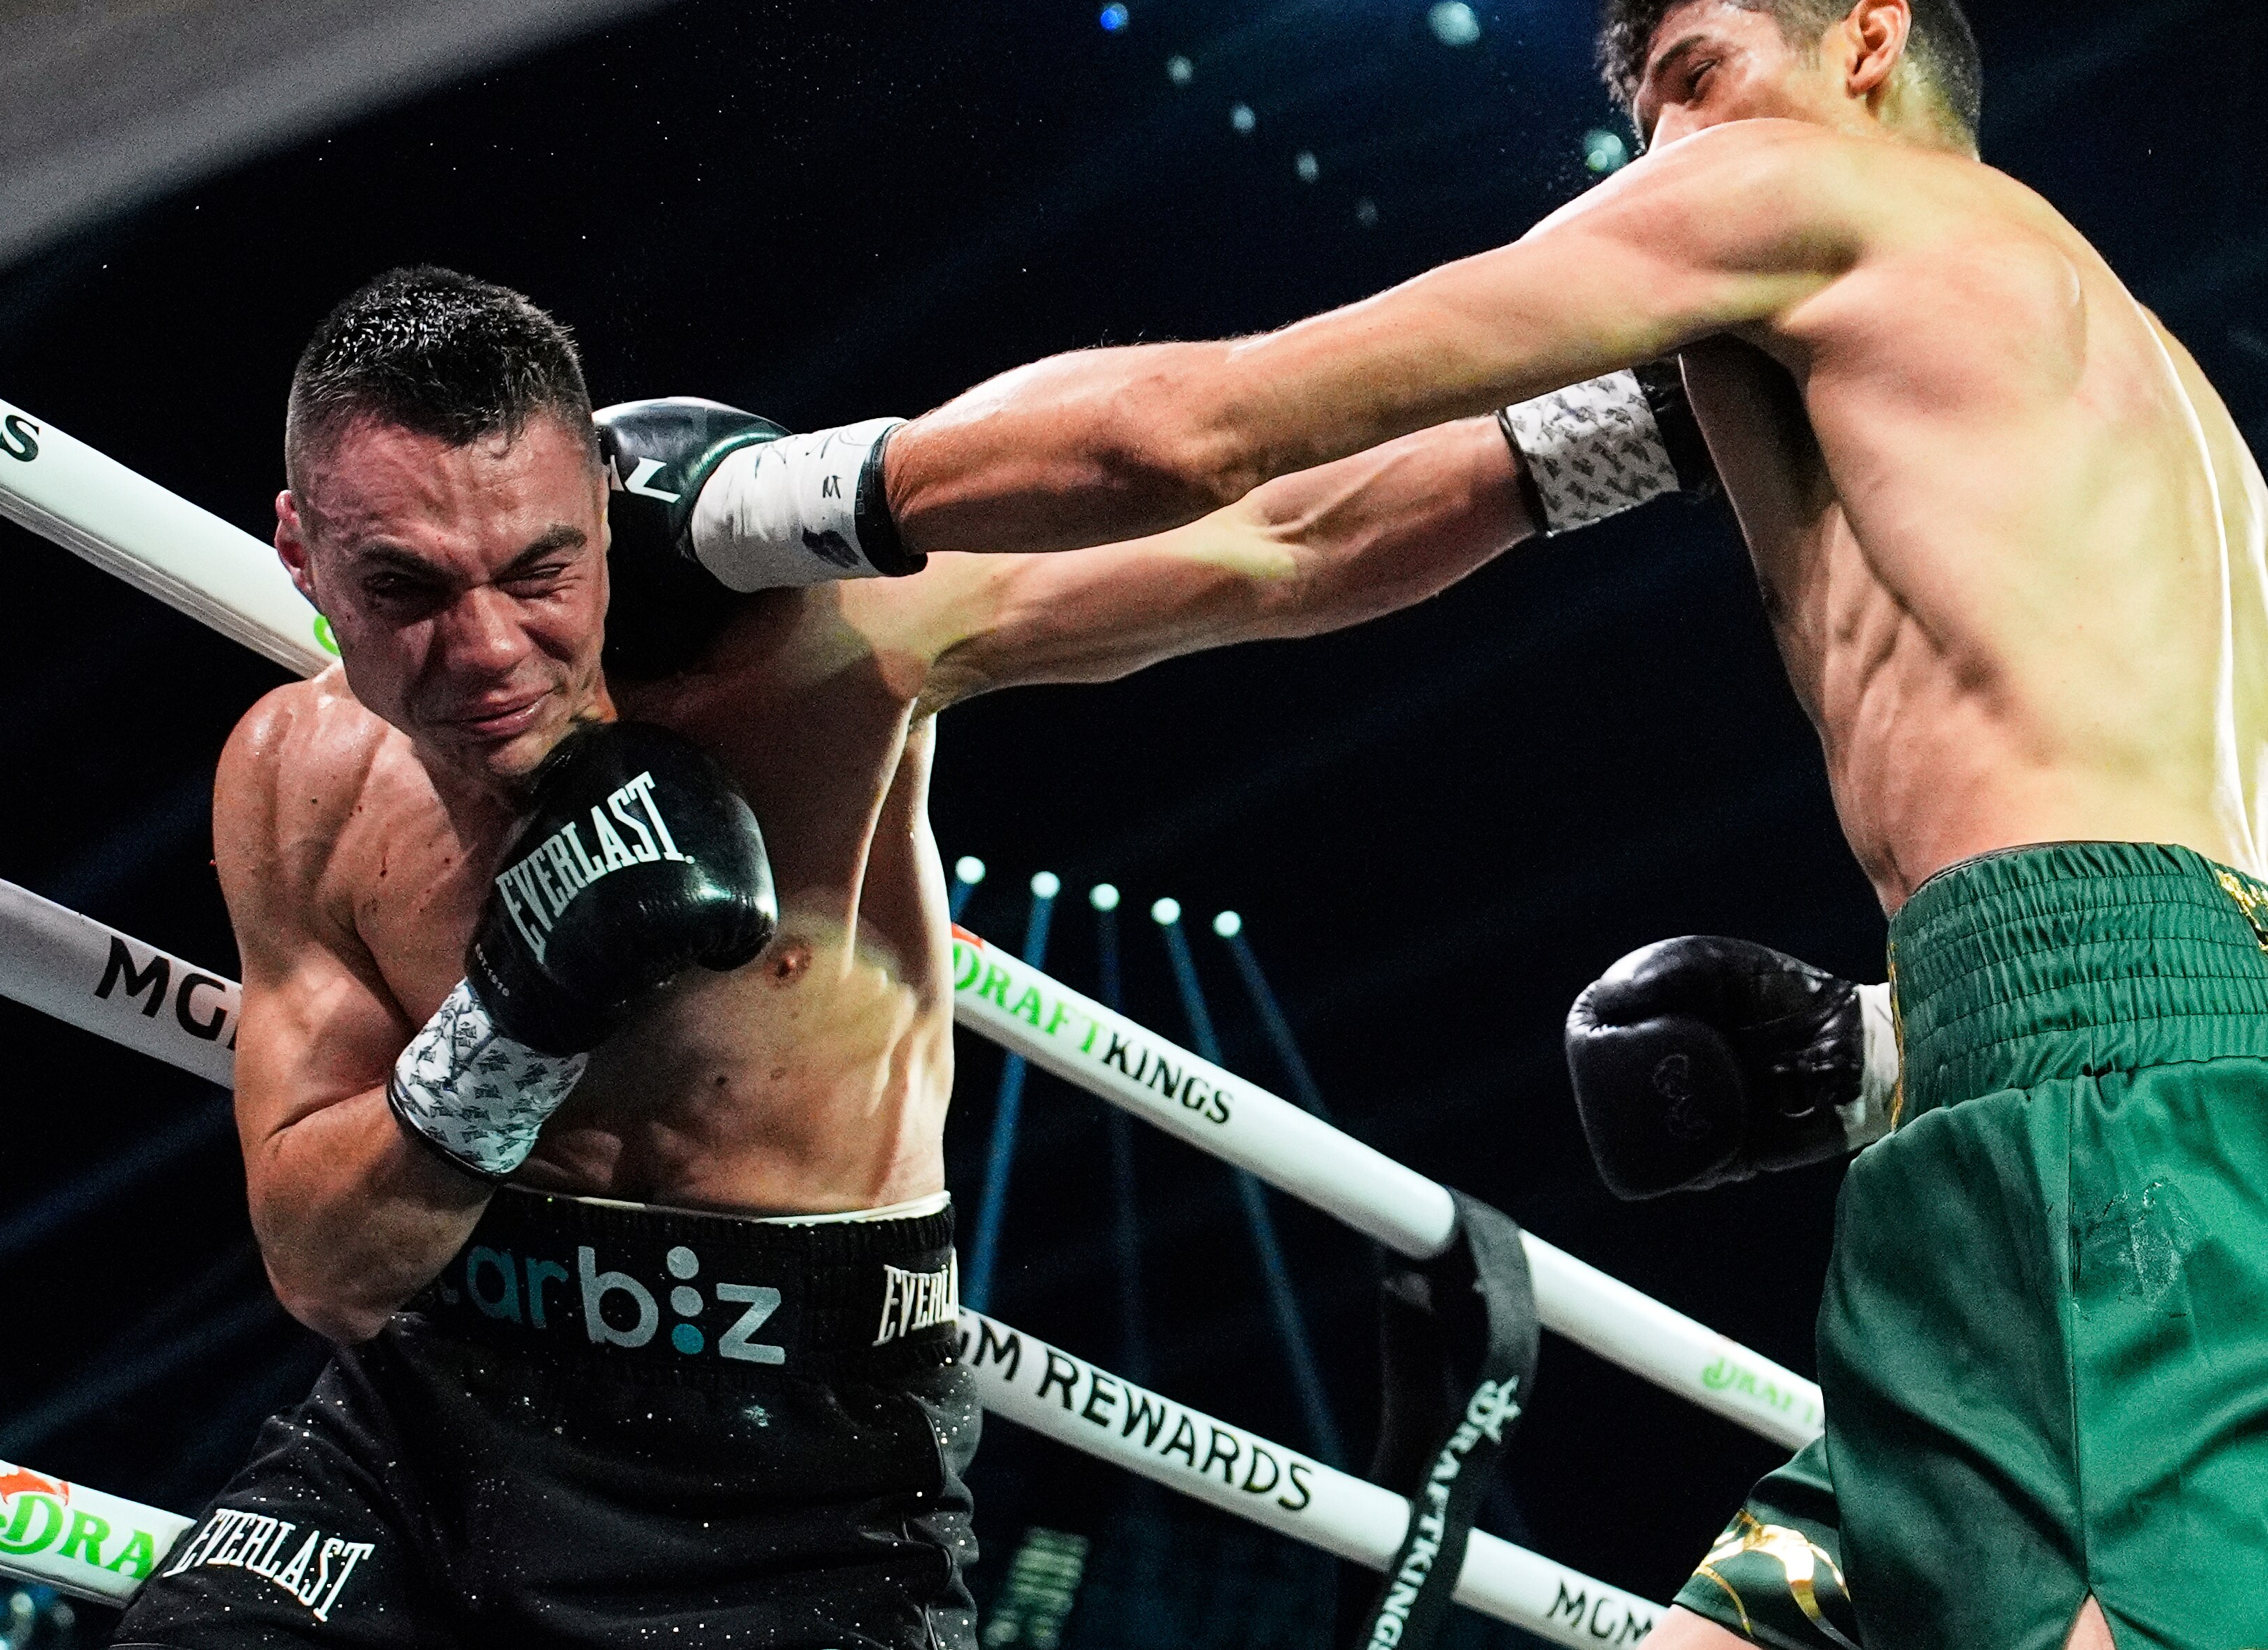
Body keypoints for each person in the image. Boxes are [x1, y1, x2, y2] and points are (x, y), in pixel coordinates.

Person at [704, 0, 2268, 1650]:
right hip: (2129, 1102)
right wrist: (1890, 1041)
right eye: (1648, 119)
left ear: (1870, 49)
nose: (1667, 152)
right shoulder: (2165, 430)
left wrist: (762, 510)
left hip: (2104, 1126)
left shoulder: (1797, 198)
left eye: (1699, 78)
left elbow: (1210, 434)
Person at [115, 264, 1639, 1649]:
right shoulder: (296, 777)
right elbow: (328, 1266)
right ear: (301, 553)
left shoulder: (818, 652)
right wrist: (518, 1011)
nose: (492, 649)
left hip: (801, 1470)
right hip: (431, 1425)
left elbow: (1282, 543)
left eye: (537, 570)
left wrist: (1651, 422)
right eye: (407, 589)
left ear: (597, 499)